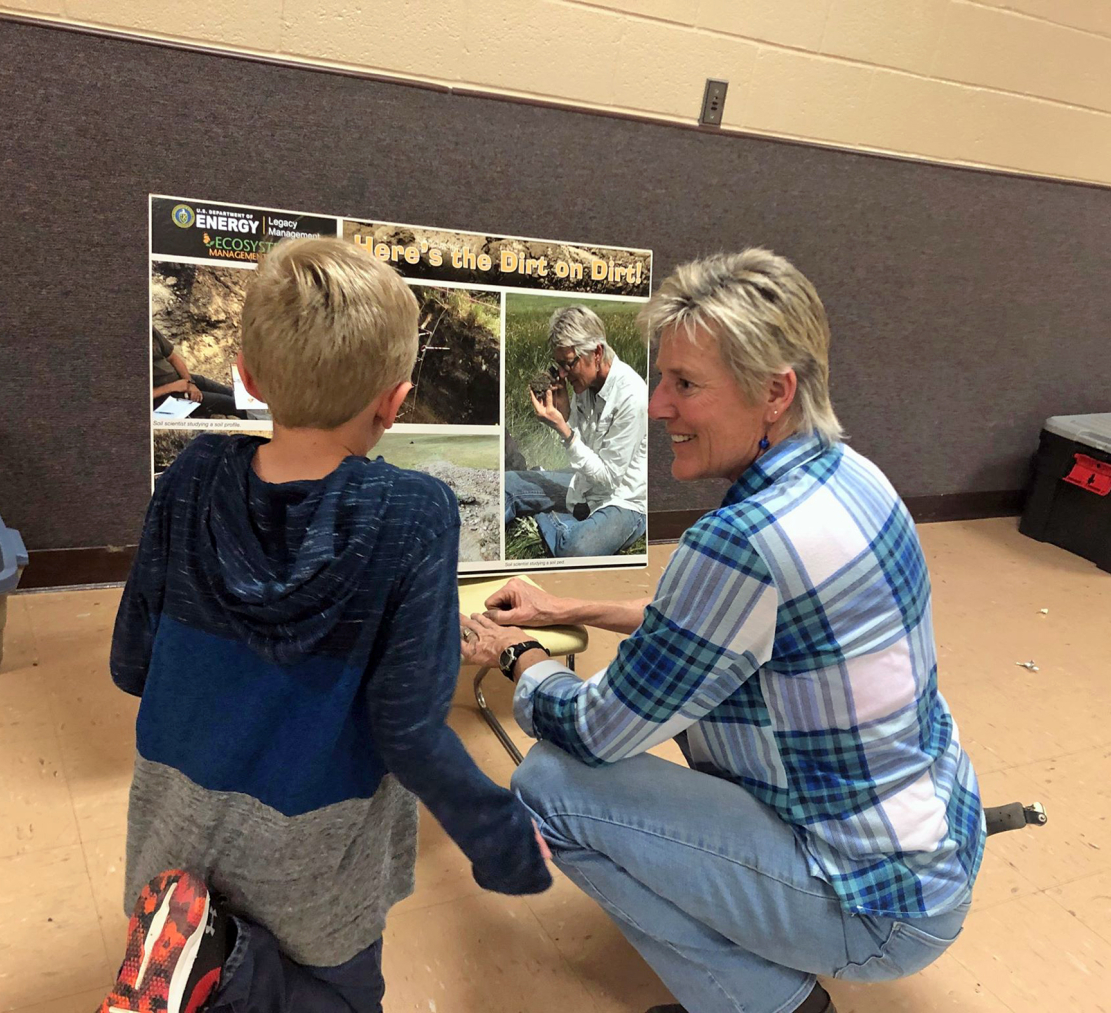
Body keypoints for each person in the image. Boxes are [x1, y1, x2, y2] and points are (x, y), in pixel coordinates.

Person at [461, 249, 983, 1013]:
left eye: (686, 385)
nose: (661, 405)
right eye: (662, 378)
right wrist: (564, 609)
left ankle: (774, 1004)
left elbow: (601, 731)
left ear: (776, 392)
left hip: (878, 908)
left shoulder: (739, 540)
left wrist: (520, 656)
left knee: (547, 783)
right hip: (934, 845)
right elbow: (728, 630)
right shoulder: (852, 474)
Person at [103, 236, 551, 1013]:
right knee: (335, 996)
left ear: (245, 376)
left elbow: (130, 664)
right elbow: (409, 729)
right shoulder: (413, 514)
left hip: (175, 836)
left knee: (205, 953)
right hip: (320, 852)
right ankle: (238, 975)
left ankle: (203, 963)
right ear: (395, 399)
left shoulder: (189, 477)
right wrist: (500, 835)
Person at [504, 305, 647, 556]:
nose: (562, 373)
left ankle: (549, 517)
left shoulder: (631, 396)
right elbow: (588, 448)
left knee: (577, 547)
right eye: (558, 365)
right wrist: (566, 415)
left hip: (621, 502)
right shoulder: (586, 383)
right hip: (583, 484)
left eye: (568, 364)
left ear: (597, 352)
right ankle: (558, 517)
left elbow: (610, 477)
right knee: (506, 484)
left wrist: (564, 431)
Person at [152, 326, 247, 419]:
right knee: (231, 404)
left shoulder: (150, 330)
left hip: (179, 380)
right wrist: (173, 387)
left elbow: (172, 358)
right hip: (166, 397)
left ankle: (254, 410)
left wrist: (189, 382)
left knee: (230, 392)